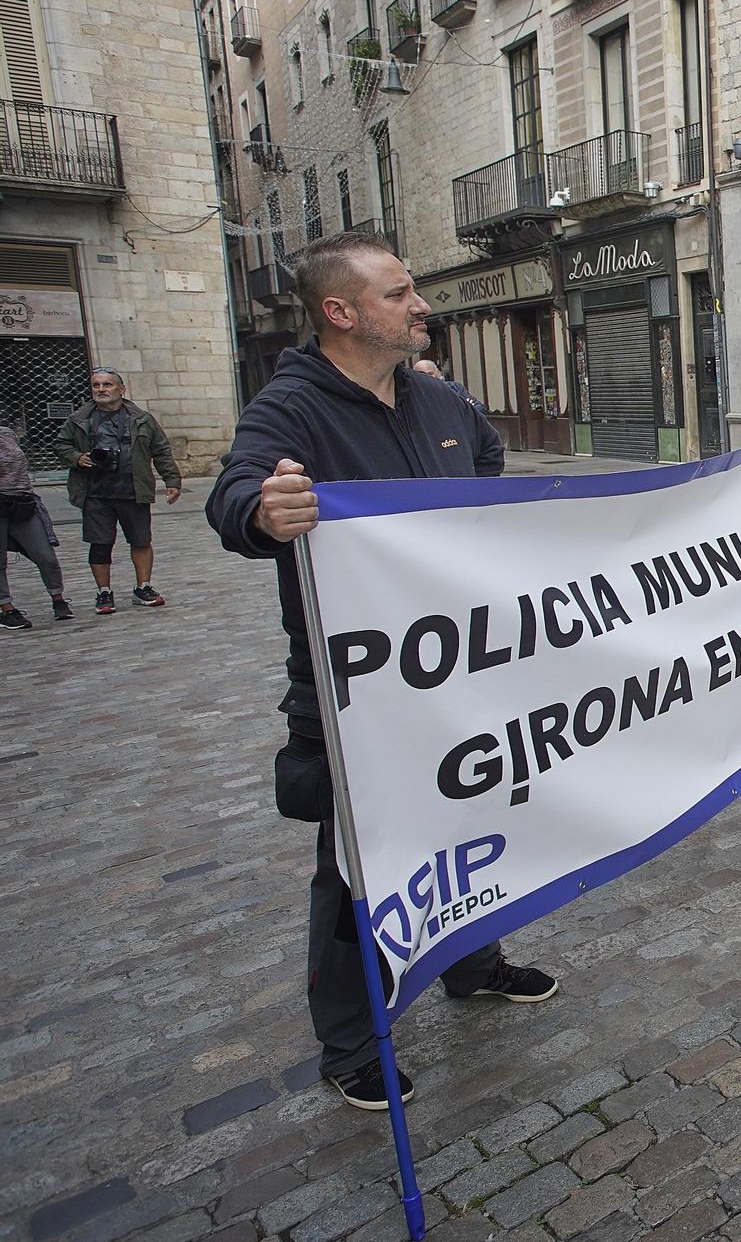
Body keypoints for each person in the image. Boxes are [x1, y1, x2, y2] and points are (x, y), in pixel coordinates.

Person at [205, 230, 558, 1112]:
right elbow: (234, 494)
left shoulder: (436, 398)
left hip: (462, 672)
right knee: (357, 866)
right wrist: (264, 508)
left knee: (473, 822)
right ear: (342, 311)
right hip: (355, 690)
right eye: (400, 293)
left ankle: (471, 962)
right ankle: (351, 1042)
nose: (421, 304)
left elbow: (484, 462)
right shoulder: (292, 406)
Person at [62, 367, 181, 614]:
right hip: (95, 493)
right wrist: (76, 457)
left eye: (107, 385)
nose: (101, 390)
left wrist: (172, 481)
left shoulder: (141, 418)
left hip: (133, 490)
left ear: (121, 389)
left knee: (141, 540)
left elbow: (161, 450)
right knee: (100, 543)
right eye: (96, 385)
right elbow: (61, 444)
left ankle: (143, 587)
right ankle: (104, 593)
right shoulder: (79, 419)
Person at [1, 424, 71, 628]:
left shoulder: (6, 433)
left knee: (45, 556)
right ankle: (7, 609)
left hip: (22, 502)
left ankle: (58, 599)